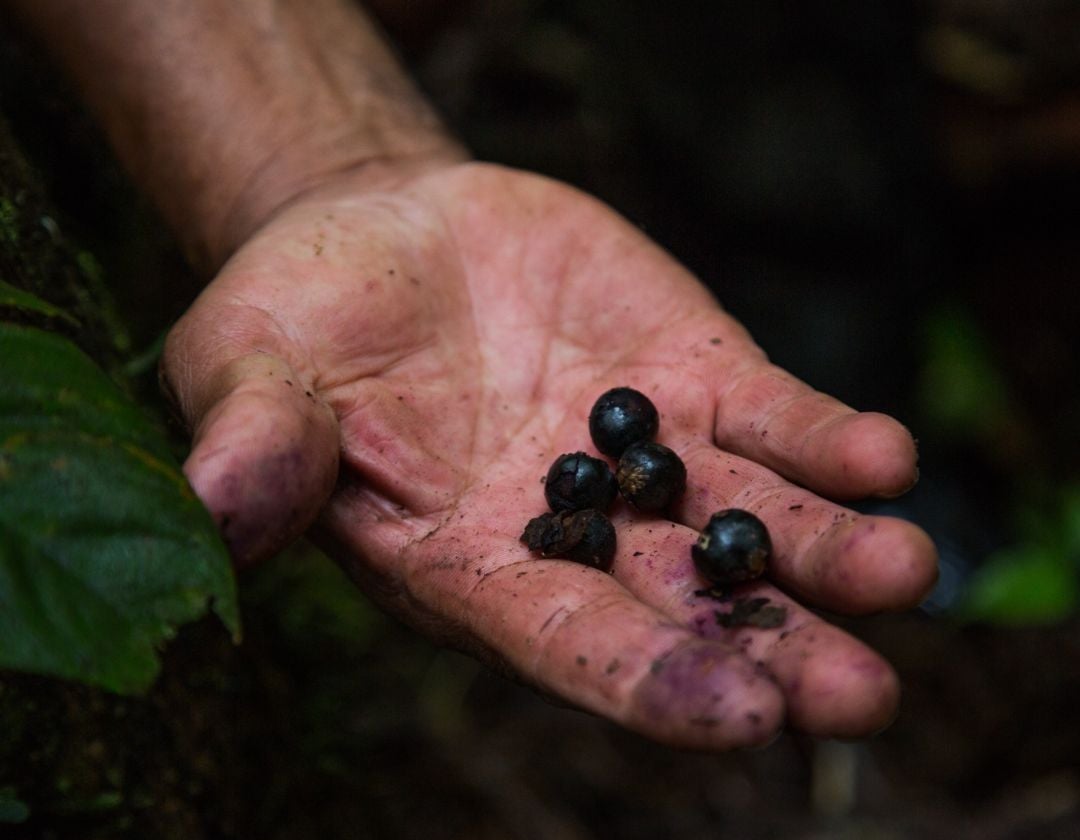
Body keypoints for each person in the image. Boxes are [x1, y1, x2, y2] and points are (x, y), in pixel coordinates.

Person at [7, 0, 938, 751]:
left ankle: (846, 312)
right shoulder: (605, 490)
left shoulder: (619, 480)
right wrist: (330, 170)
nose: (623, 478)